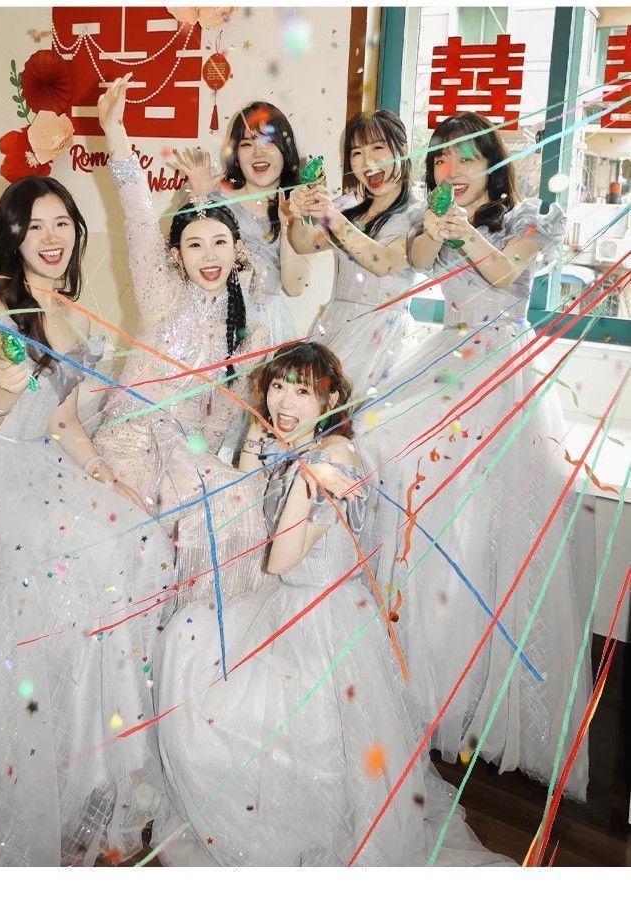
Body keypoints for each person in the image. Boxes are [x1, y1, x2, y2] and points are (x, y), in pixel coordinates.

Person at [151, 341, 511, 866]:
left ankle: (299, 827)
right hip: (287, 603)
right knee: (187, 635)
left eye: (302, 391)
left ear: (331, 400)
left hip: (321, 617)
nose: (284, 402)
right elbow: (248, 499)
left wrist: (305, 478)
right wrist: (257, 442)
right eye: (277, 387)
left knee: (249, 706)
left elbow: (280, 559)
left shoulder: (335, 455)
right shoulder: (295, 444)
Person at [0, 175, 174, 865]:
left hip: (46, 459)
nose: (51, 238)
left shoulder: (64, 309)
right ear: (12, 235)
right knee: (72, 582)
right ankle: (64, 785)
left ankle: (107, 777)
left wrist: (108, 477)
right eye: (35, 226)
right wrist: (1, 389)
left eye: (62, 223)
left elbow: (64, 424)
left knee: (138, 542)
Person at [356, 112, 590, 797]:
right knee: (392, 466)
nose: (450, 171)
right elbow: (413, 262)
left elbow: (507, 271)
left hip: (503, 375)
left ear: (492, 162)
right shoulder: (435, 218)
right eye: (441, 160)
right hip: (446, 363)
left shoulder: (526, 219)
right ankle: (418, 684)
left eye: (465, 158)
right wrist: (435, 229)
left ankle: (480, 701)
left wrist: (464, 232)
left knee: (489, 536)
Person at [92, 74, 269, 602]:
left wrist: (205, 463)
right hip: (131, 439)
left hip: (189, 453)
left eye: (219, 243)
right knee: (134, 553)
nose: (208, 256)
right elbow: (137, 214)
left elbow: (225, 415)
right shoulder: (160, 295)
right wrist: (116, 132)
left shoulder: (248, 329)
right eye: (194, 245)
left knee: (229, 511)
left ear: (237, 250)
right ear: (175, 256)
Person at [288, 109, 422, 403]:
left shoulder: (418, 215)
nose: (367, 162)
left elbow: (383, 263)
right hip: (336, 325)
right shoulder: (348, 206)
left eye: (378, 148)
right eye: (357, 153)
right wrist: (298, 213)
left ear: (403, 150)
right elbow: (303, 244)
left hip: (383, 338)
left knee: (363, 420)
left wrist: (331, 217)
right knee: (318, 412)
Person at [174, 100, 310, 346]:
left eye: (268, 141)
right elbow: (177, 262)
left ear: (285, 149)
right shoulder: (215, 199)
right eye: (247, 144)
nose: (258, 153)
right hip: (211, 321)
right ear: (236, 154)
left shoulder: (298, 206)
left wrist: (289, 223)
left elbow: (295, 287)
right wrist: (198, 198)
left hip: (266, 327)